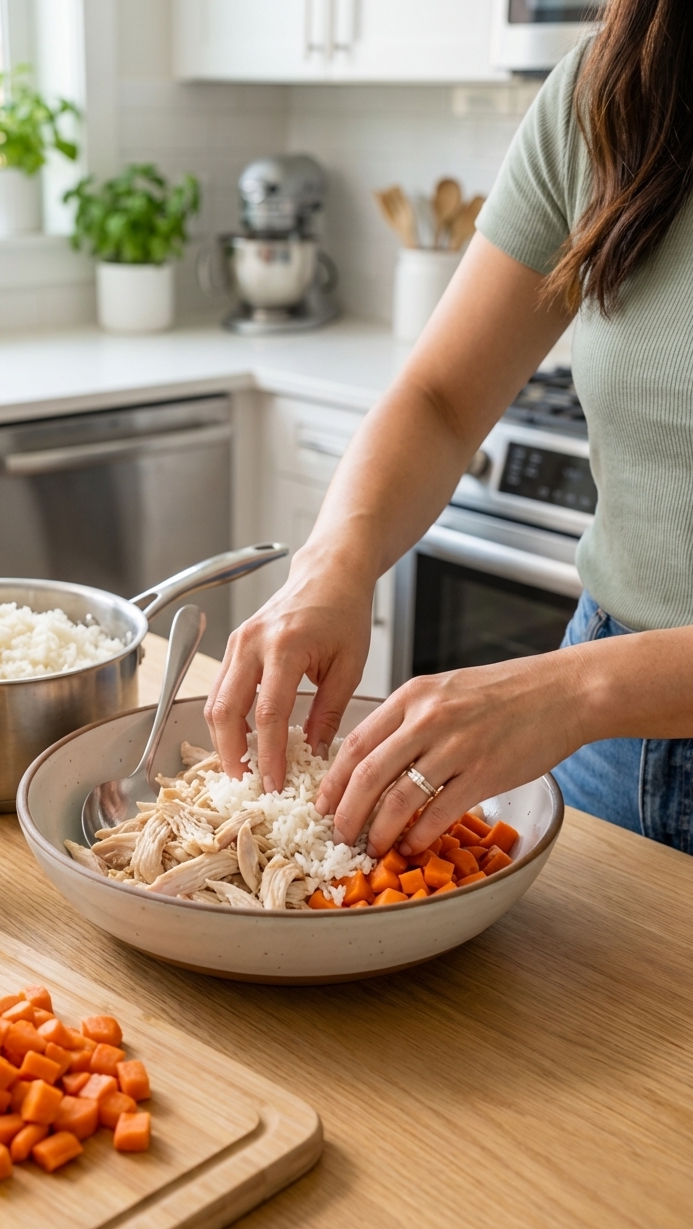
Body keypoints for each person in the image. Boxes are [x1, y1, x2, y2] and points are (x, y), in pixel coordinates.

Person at [205, 0, 693, 860]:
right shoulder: (615, 86)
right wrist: (333, 564)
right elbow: (439, 397)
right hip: (603, 751)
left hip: (588, 699)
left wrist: (573, 692)